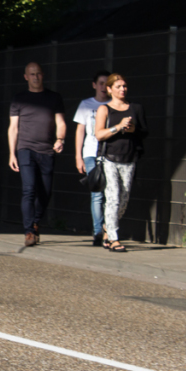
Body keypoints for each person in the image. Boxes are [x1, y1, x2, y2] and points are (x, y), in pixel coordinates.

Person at [8, 62, 67, 247]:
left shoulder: (54, 97)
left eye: (38, 74)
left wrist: (60, 139)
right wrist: (12, 153)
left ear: (43, 75)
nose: (36, 77)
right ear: (26, 77)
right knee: (29, 189)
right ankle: (29, 231)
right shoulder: (19, 99)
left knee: (45, 192)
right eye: (32, 74)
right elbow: (13, 128)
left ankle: (36, 221)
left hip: (47, 150)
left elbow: (61, 122)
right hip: (25, 149)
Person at [94, 73, 147, 253]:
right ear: (109, 89)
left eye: (124, 86)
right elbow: (99, 134)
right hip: (110, 158)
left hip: (129, 158)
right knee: (113, 198)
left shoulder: (135, 108)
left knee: (123, 200)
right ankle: (115, 239)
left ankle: (108, 229)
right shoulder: (105, 109)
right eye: (118, 87)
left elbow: (144, 132)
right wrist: (118, 127)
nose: (122, 89)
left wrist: (133, 129)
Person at [73, 70, 111, 246]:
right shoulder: (86, 104)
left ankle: (109, 230)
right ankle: (97, 231)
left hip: (110, 153)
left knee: (111, 194)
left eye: (106, 83)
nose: (103, 87)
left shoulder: (114, 104)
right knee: (97, 194)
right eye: (101, 83)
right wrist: (78, 156)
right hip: (91, 153)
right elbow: (80, 130)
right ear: (94, 85)